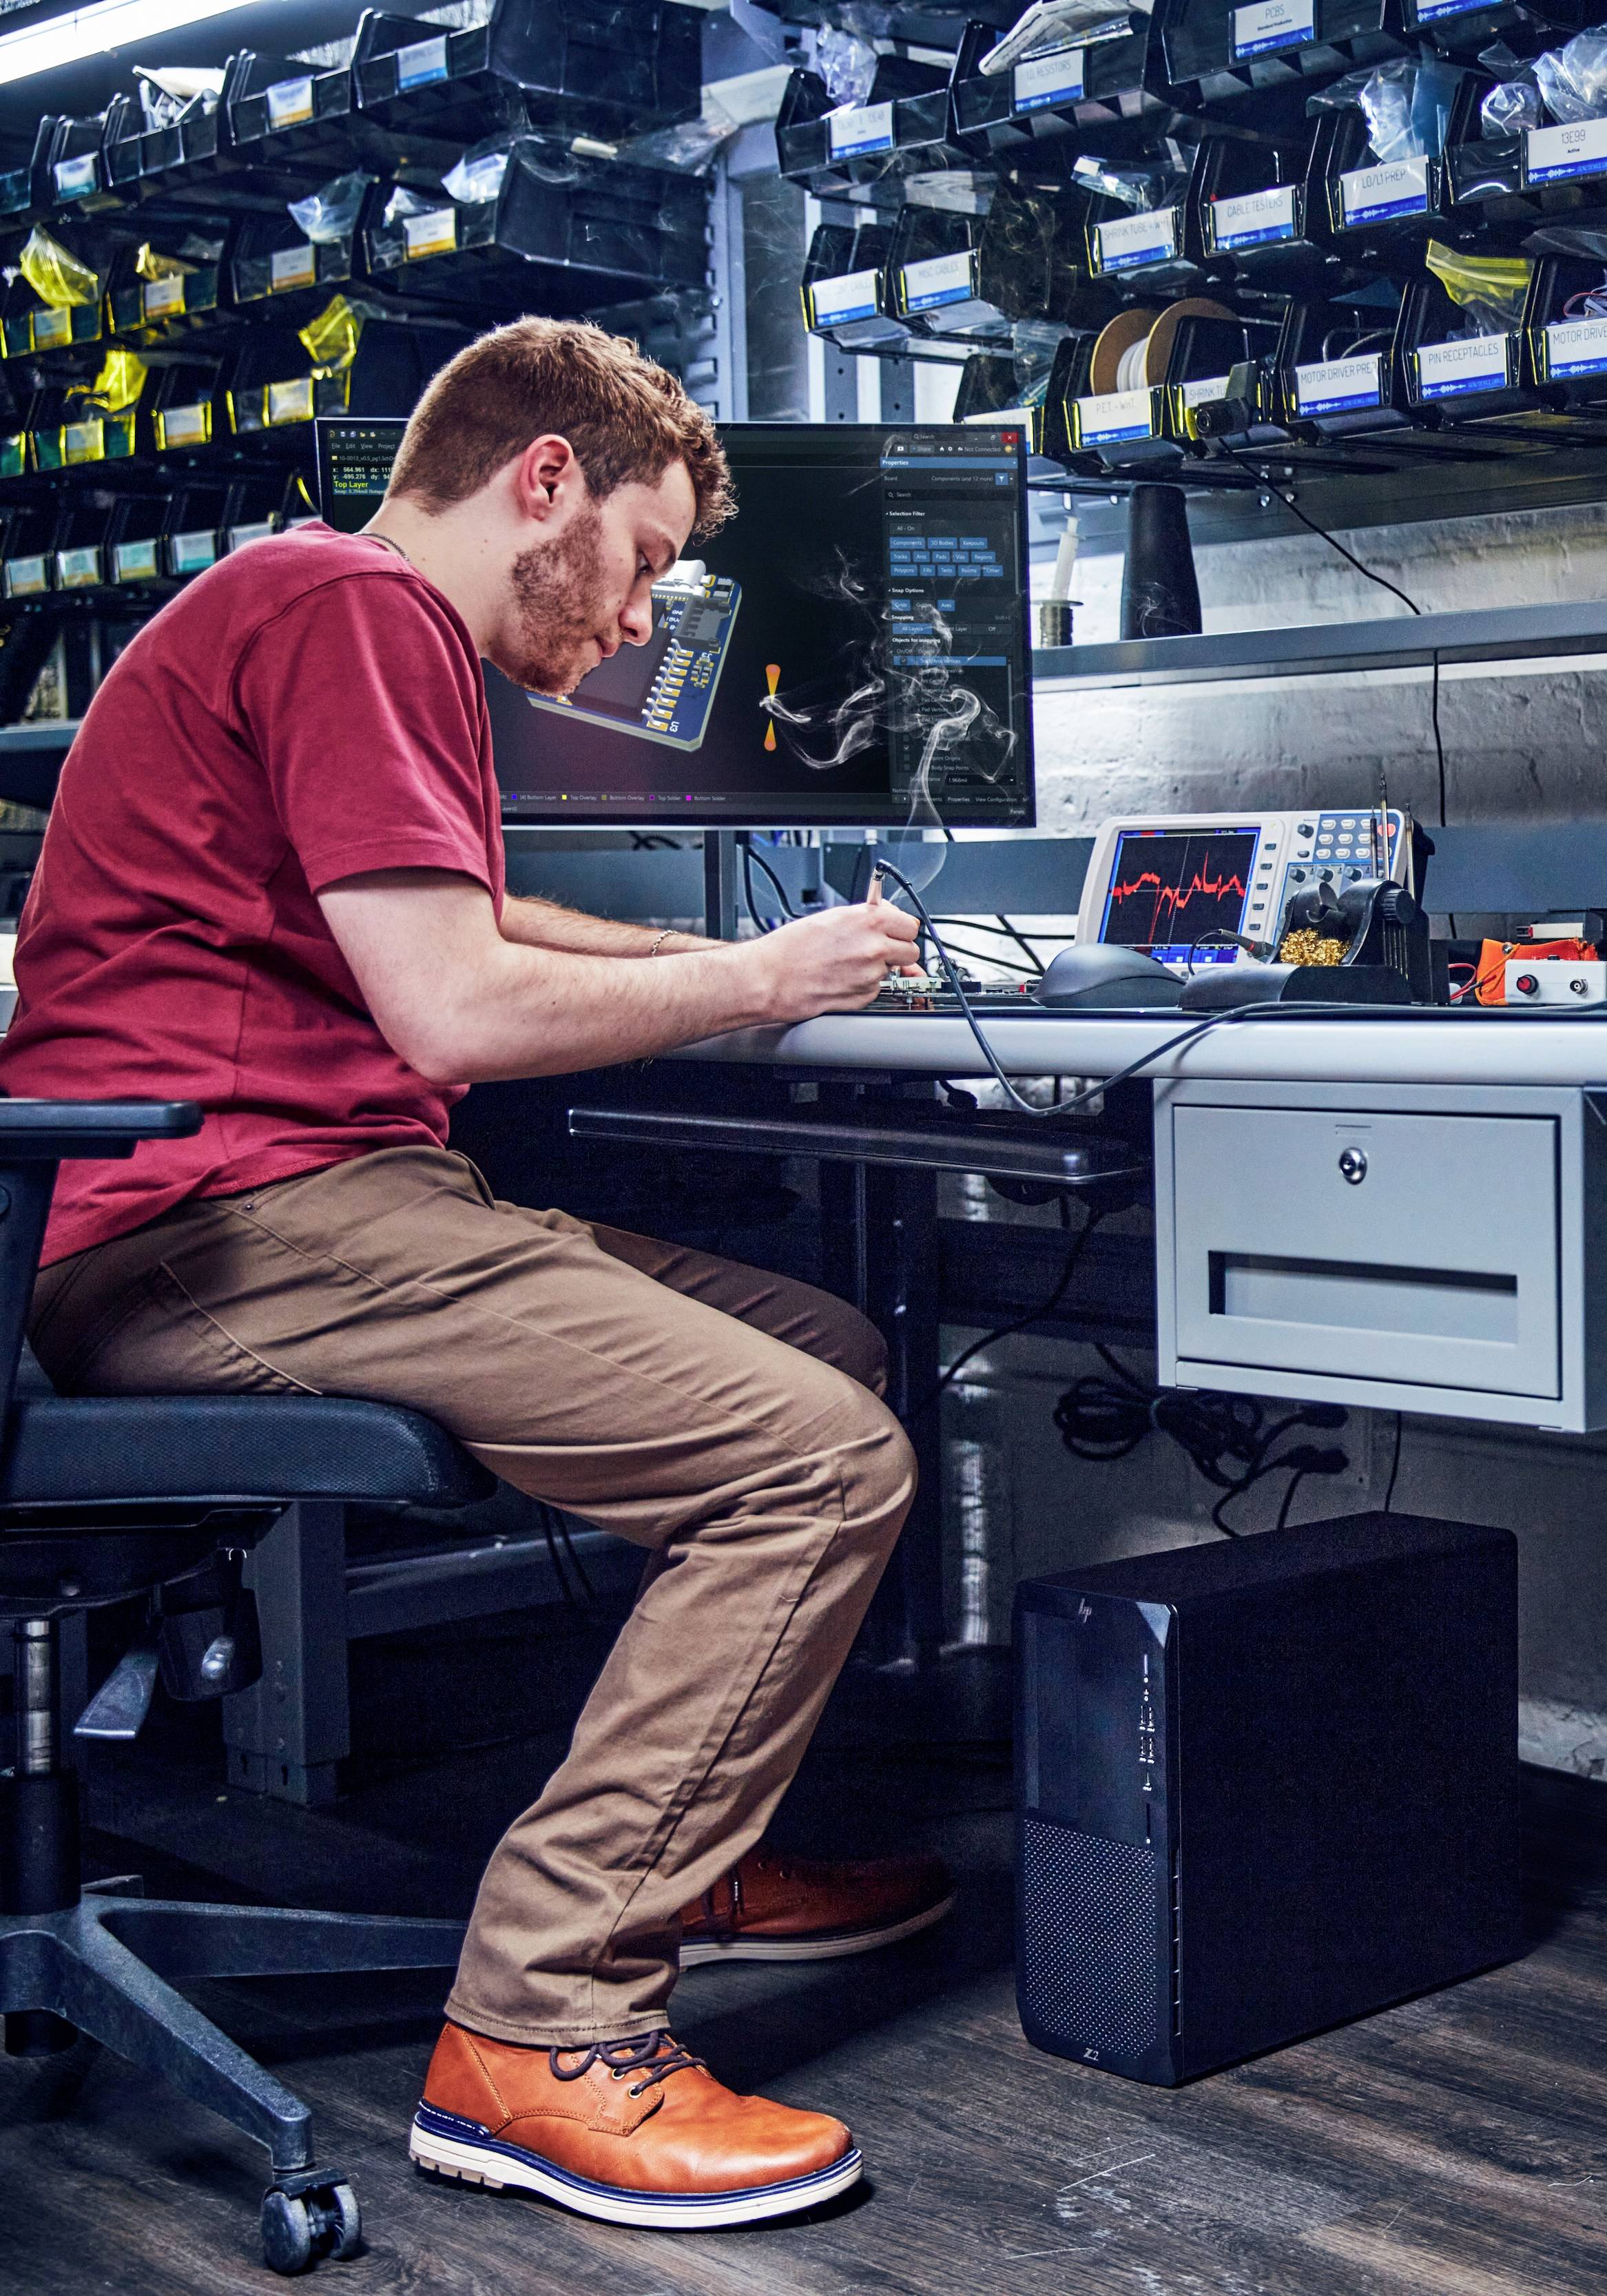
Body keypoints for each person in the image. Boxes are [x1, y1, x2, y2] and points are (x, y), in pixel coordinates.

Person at [0, 318, 951, 2231]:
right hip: (226, 1230)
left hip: (307, 1210)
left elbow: (475, 910)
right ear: (545, 486)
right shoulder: (351, 608)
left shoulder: (322, 612)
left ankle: (687, 1848)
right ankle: (543, 2031)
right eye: (649, 558)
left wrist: (730, 977)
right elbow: (445, 1004)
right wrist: (757, 981)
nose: (641, 618)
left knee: (823, 1338)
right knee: (817, 1456)